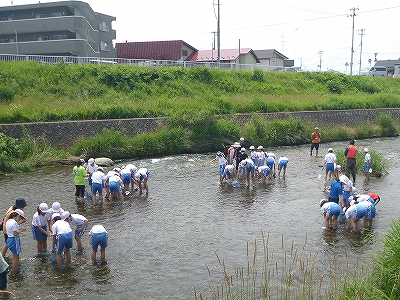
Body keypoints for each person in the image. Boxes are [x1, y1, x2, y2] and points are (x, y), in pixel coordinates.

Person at [5, 209, 27, 273]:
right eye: (20, 218)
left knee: (14, 256)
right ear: (18, 216)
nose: (20, 219)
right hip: (14, 240)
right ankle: (15, 271)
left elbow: (12, 229)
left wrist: (19, 228)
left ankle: (13, 269)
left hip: (9, 239)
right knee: (16, 257)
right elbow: (15, 233)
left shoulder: (9, 221)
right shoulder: (14, 223)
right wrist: (22, 230)